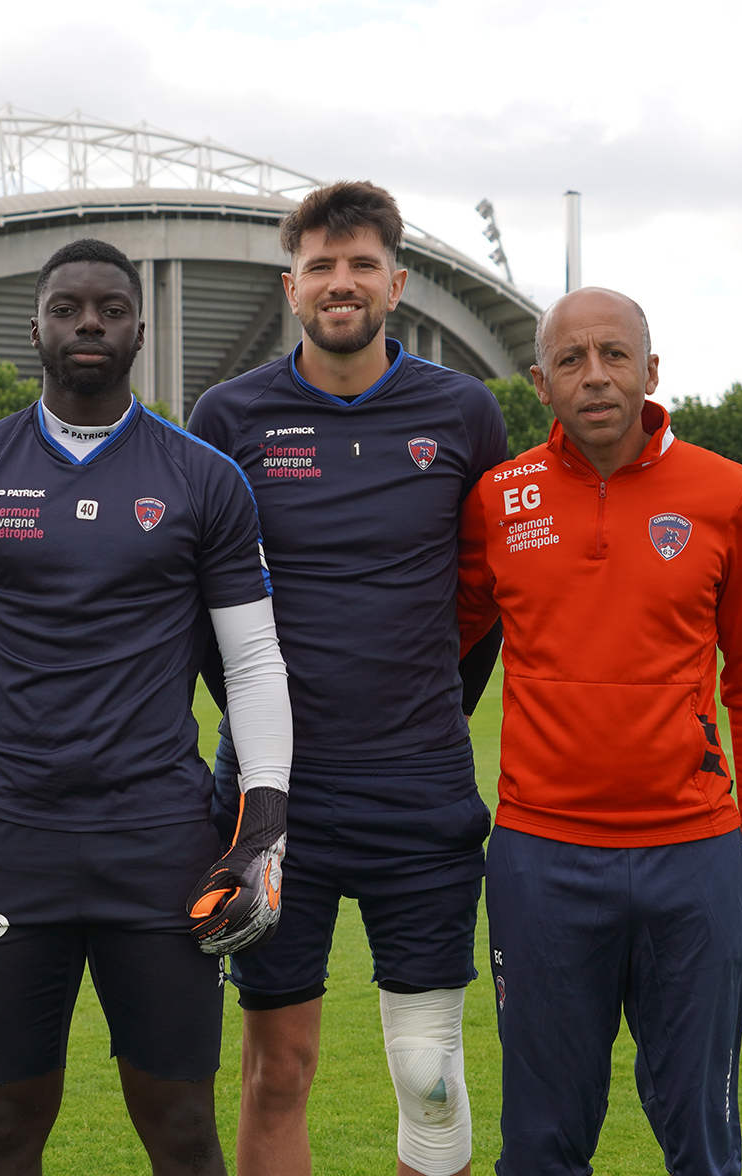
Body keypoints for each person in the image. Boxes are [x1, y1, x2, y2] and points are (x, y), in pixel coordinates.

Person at [0, 238, 294, 1176]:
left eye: (109, 310)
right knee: (2, 1130)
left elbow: (254, 657)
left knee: (184, 1132)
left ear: (139, 331)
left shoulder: (203, 477)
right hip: (8, 839)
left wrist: (263, 824)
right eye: (68, 308)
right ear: (34, 325)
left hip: (158, 839)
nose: (88, 324)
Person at [186, 181, 508, 1176]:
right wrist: (262, 729)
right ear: (291, 287)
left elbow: (480, 597)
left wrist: (424, 714)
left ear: (396, 282)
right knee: (278, 1070)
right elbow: (203, 606)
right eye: (321, 265)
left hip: (419, 789)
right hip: (278, 796)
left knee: (428, 1070)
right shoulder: (229, 413)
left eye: (361, 264)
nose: (341, 281)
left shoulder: (461, 411)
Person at [455, 287, 742, 1176]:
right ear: (540, 382)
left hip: (695, 859)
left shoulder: (727, 494)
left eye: (614, 355)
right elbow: (431, 648)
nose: (594, 376)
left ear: (651, 370)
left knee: (703, 1140)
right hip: (540, 859)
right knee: (539, 1143)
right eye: (571, 360)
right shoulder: (498, 498)